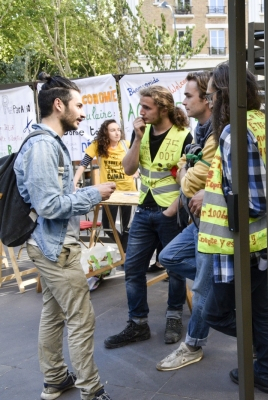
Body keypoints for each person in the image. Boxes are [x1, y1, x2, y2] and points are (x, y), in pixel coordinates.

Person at [198, 63, 268, 393]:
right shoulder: (266, 123)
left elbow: (255, 199)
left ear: (223, 95)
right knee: (260, 310)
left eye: (210, 94)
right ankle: (265, 369)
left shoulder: (234, 131)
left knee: (214, 313)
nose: (209, 101)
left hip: (245, 243)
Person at [14, 73, 115, 400]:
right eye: (79, 105)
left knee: (54, 313)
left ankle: (56, 379)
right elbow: (49, 205)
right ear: (59, 105)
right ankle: (92, 391)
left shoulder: (45, 142)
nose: (83, 113)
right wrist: (93, 194)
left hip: (49, 245)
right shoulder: (43, 146)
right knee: (81, 320)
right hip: (55, 249)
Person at [104, 85, 193, 349]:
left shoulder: (184, 136)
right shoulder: (139, 132)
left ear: (163, 109)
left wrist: (173, 209)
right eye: (141, 106)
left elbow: (190, 182)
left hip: (169, 213)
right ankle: (138, 324)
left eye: (146, 107)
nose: (141, 112)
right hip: (143, 210)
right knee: (132, 268)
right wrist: (139, 138)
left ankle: (174, 317)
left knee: (174, 268)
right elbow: (129, 169)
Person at [155, 71, 217, 371]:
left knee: (203, 289)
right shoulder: (200, 132)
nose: (184, 100)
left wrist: (187, 175)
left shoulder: (219, 133)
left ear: (207, 99)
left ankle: (192, 344)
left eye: (189, 95)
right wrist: (186, 174)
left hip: (212, 224)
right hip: (196, 223)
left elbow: (191, 180)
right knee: (169, 257)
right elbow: (183, 173)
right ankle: (221, 284)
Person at [73, 119, 136, 250]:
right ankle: (126, 250)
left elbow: (137, 162)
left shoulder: (126, 145)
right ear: (105, 133)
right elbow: (83, 164)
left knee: (126, 228)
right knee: (107, 226)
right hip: (110, 192)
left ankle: (127, 257)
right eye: (113, 130)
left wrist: (136, 171)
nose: (117, 133)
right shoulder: (98, 145)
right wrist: (74, 182)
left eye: (118, 130)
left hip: (128, 191)